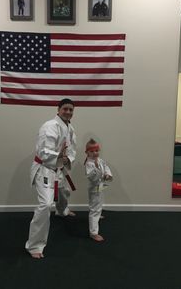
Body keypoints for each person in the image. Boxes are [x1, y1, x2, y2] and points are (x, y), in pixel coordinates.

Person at [25, 98, 77, 259]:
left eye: (70, 110)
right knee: (46, 204)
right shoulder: (50, 126)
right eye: (65, 109)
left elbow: (72, 149)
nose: (68, 112)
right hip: (45, 169)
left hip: (59, 167)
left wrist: (68, 158)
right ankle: (34, 245)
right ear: (58, 109)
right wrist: (60, 156)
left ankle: (62, 210)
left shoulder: (69, 127)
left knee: (64, 191)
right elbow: (43, 152)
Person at [84, 138, 113, 242]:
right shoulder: (89, 164)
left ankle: (98, 214)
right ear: (86, 152)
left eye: (96, 151)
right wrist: (96, 168)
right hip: (94, 188)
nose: (94, 153)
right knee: (94, 208)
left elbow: (106, 167)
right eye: (91, 151)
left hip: (100, 185)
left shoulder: (100, 160)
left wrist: (107, 174)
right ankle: (93, 232)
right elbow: (91, 177)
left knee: (99, 202)